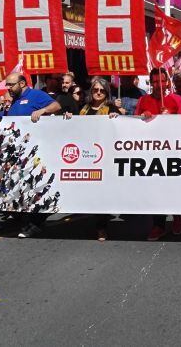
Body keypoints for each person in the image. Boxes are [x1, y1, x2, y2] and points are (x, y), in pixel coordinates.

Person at [4, 74, 61, 238]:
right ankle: (26, 220)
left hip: (35, 152)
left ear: (22, 83)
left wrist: (42, 110)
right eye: (7, 85)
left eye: (11, 84)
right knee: (22, 187)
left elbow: (56, 106)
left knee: (35, 186)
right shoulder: (13, 99)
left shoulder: (35, 95)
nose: (8, 88)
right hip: (18, 152)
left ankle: (35, 223)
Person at [64, 77, 119, 241]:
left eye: (102, 90)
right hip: (86, 155)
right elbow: (76, 126)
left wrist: (117, 118)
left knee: (101, 193)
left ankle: (101, 228)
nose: (99, 93)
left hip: (105, 156)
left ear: (107, 93)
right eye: (95, 90)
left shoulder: (111, 108)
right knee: (90, 192)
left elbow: (120, 128)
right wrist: (69, 118)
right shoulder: (84, 108)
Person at [135, 68, 181, 240]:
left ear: (167, 83)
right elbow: (133, 124)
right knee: (156, 189)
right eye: (155, 82)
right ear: (151, 83)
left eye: (162, 81)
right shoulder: (143, 100)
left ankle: (178, 218)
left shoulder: (176, 99)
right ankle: (158, 224)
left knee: (175, 186)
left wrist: (170, 117)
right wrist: (143, 118)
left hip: (173, 151)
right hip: (152, 153)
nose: (159, 85)